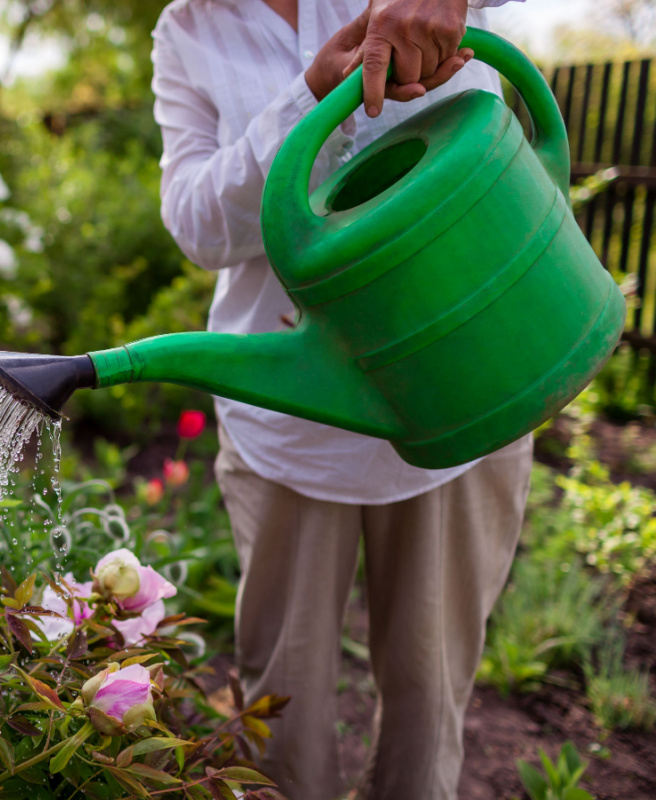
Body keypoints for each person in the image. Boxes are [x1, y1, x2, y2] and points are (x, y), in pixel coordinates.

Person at [150, 1, 531, 799]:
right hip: (292, 411)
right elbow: (196, 224)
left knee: (429, 704)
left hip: (461, 381)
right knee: (282, 716)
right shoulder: (188, 26)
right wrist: (307, 100)